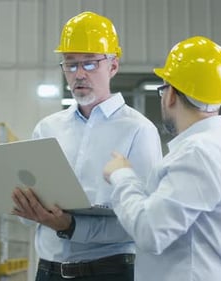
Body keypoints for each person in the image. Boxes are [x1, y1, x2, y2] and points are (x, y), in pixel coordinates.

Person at [11, 11, 162, 281]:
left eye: (90, 64)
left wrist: (71, 226)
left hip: (110, 271)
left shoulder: (138, 130)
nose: (79, 74)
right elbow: (28, 218)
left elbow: (145, 223)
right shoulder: (47, 128)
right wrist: (27, 208)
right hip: (48, 271)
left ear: (113, 66)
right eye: (71, 64)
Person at [103, 36, 221, 281]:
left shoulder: (199, 153)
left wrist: (122, 176)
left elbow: (151, 231)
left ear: (171, 94)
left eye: (163, 88)